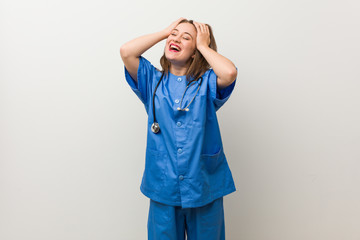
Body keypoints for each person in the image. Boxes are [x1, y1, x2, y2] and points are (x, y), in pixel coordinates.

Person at [120, 17, 237, 240]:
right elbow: (127, 51)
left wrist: (203, 45)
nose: (176, 39)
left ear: (195, 52)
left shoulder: (208, 82)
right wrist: (166, 31)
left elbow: (229, 73)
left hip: (203, 185)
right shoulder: (151, 80)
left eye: (186, 38)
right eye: (174, 35)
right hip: (164, 186)